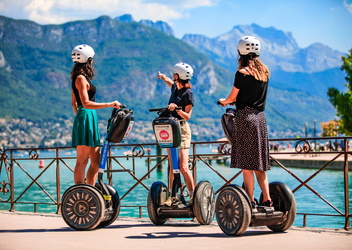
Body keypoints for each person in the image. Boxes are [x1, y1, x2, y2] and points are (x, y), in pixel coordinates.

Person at [218, 36, 272, 207]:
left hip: (245, 119)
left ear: (241, 53)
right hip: (260, 119)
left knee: (247, 164)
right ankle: (267, 199)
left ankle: (250, 200)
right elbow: (252, 95)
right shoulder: (264, 72)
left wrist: (224, 101)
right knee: (260, 164)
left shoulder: (242, 73)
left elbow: (232, 97)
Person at [70, 44, 121, 185]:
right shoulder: (80, 78)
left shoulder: (80, 78)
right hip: (86, 116)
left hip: (88, 117)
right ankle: (80, 193)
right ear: (89, 60)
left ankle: (90, 191)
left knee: (96, 161)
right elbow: (84, 103)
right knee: (82, 160)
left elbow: (73, 103)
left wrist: (81, 114)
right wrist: (109, 104)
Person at [157, 62, 195, 205]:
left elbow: (188, 116)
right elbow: (169, 81)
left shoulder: (188, 94)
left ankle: (192, 196)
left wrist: (177, 109)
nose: (173, 76)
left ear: (179, 76)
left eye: (174, 74)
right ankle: (171, 196)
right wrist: (162, 77)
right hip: (170, 129)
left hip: (182, 129)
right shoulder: (174, 88)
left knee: (183, 166)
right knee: (172, 166)